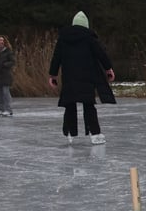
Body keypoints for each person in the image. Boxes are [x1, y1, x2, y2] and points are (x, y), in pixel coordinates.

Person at [48, 12, 116, 143]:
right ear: (86, 25)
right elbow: (101, 54)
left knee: (69, 104)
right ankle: (95, 134)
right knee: (88, 104)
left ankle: (70, 132)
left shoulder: (63, 38)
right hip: (87, 76)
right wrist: (108, 69)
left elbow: (56, 57)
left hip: (69, 77)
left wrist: (53, 75)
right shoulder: (89, 37)